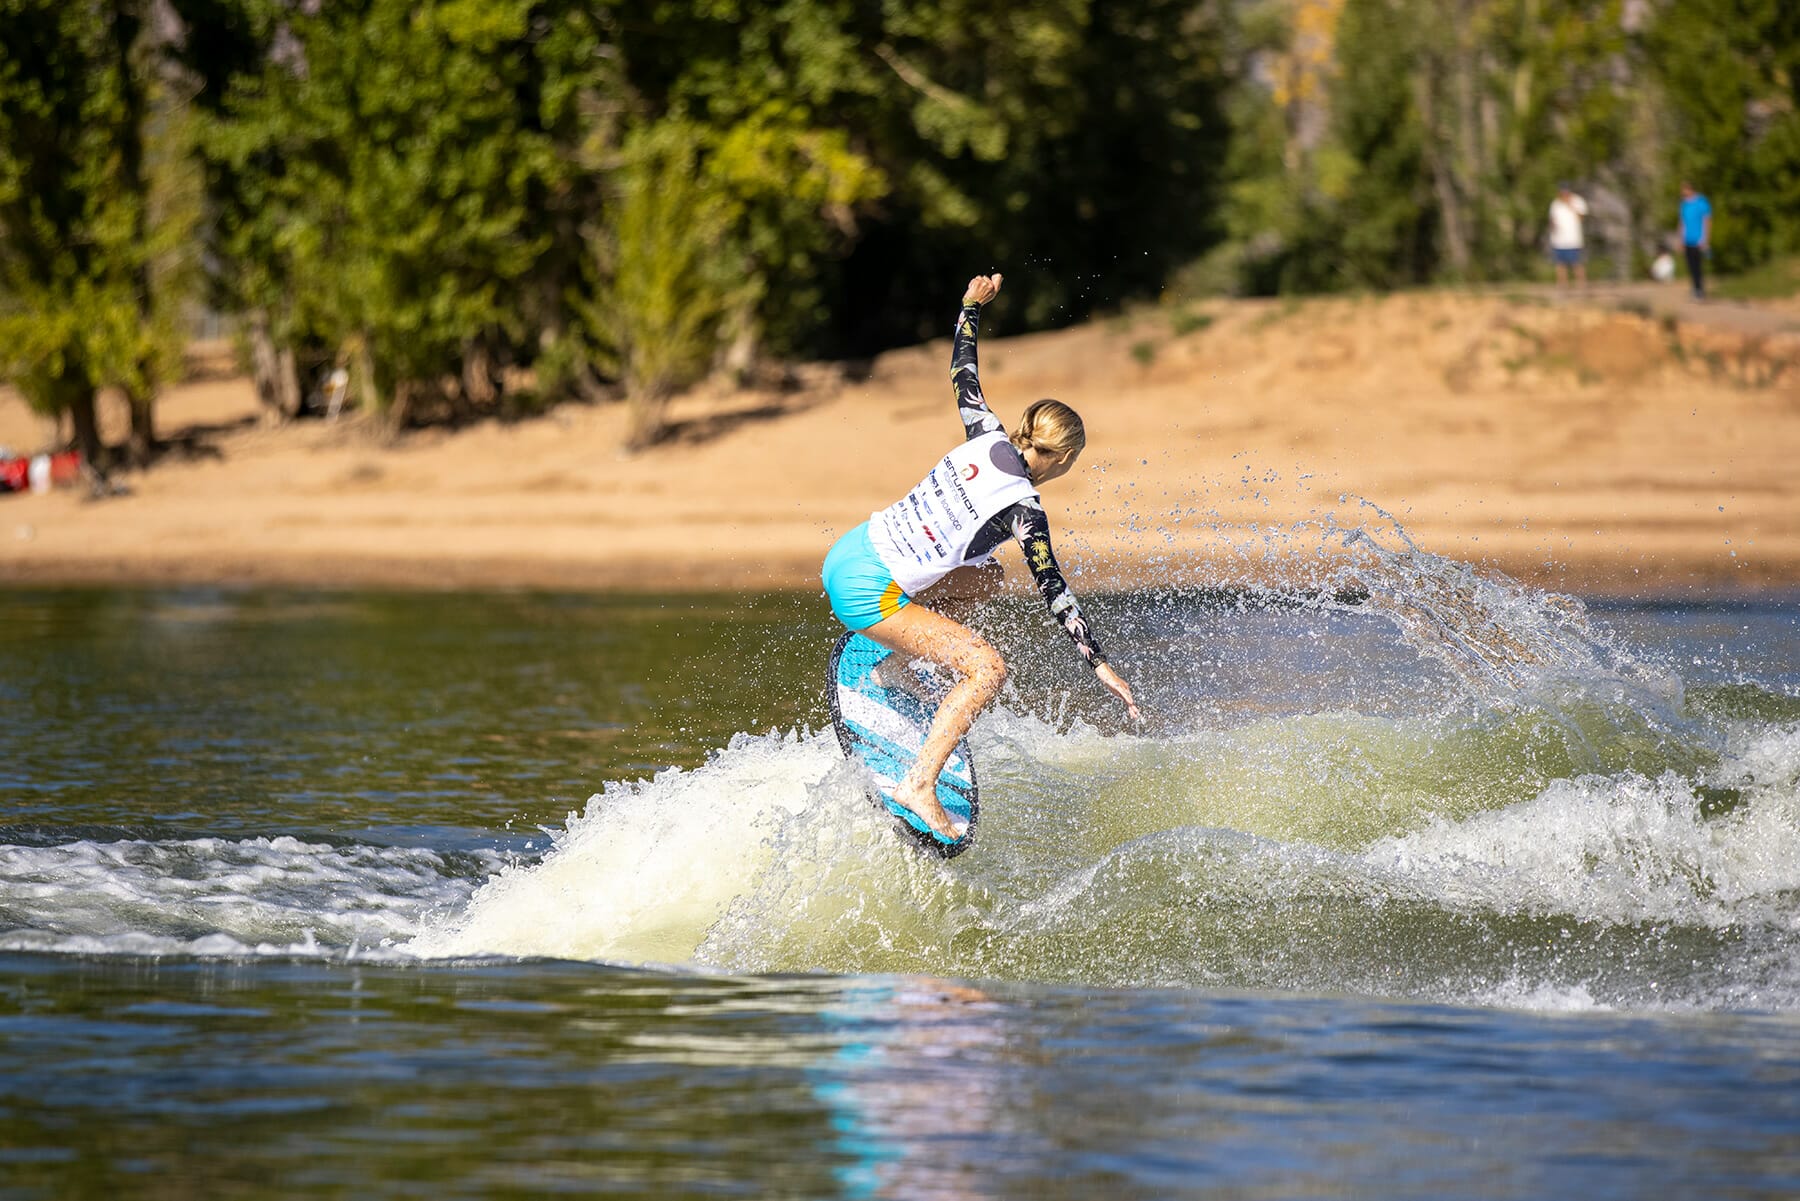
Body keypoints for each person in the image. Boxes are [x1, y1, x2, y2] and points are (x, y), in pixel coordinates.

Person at [820, 273, 1141, 841]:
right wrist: (1099, 664)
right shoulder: (1025, 511)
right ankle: (919, 784)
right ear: (1063, 458)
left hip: (849, 549)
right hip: (867, 591)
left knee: (986, 577)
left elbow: (962, 369)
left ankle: (892, 666)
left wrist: (970, 305)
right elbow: (1055, 589)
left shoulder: (985, 432)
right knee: (987, 668)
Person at [1547, 183, 1589, 288]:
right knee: (1560, 264)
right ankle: (1562, 285)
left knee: (1576, 262)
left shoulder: (1578, 201)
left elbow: (1581, 218)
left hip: (1573, 239)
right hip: (1559, 239)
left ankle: (1581, 284)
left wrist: (1571, 206)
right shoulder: (1556, 203)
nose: (1564, 194)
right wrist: (1553, 227)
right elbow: (1552, 219)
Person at [1679, 182, 1712, 299]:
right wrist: (1681, 240)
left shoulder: (1701, 202)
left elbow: (1707, 220)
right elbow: (1682, 223)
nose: (1683, 193)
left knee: (1698, 266)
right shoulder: (1684, 205)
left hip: (1699, 239)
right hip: (1687, 239)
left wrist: (1705, 239)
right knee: (1690, 266)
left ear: (1690, 189)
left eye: (1685, 190)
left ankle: (1700, 290)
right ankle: (1694, 288)